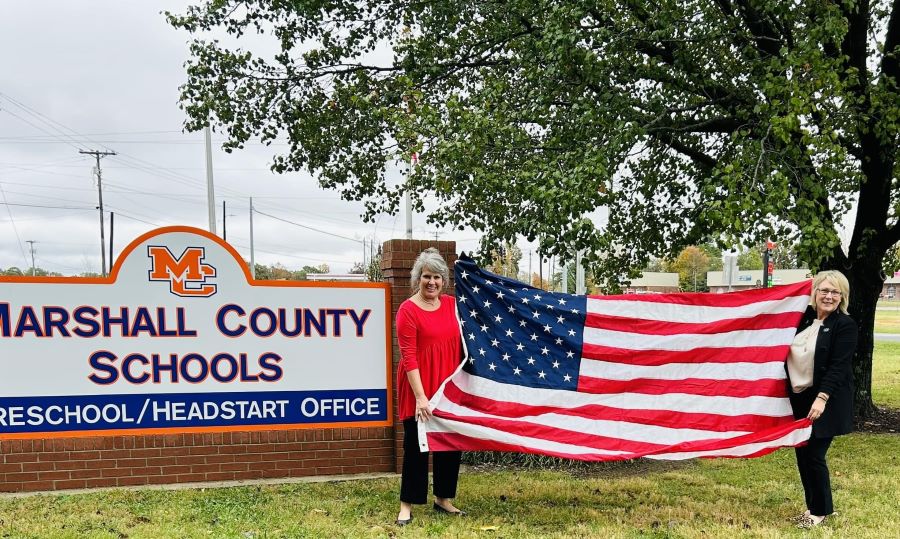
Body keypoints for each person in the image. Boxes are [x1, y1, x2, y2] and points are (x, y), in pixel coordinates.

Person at [395, 248, 465, 526]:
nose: (431, 282)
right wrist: (421, 397)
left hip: (448, 386)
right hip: (419, 387)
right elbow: (409, 357)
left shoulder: (452, 305)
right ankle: (406, 505)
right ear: (417, 278)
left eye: (436, 277)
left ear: (444, 280)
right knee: (416, 447)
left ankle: (443, 499)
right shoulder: (407, 310)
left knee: (449, 444)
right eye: (426, 276)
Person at [786, 270, 857, 528]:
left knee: (815, 455)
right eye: (824, 290)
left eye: (835, 291)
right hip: (800, 398)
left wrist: (822, 398)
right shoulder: (803, 320)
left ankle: (820, 512)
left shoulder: (845, 325)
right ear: (814, 293)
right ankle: (813, 507)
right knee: (803, 455)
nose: (828, 296)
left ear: (842, 296)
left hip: (826, 400)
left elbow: (839, 366)